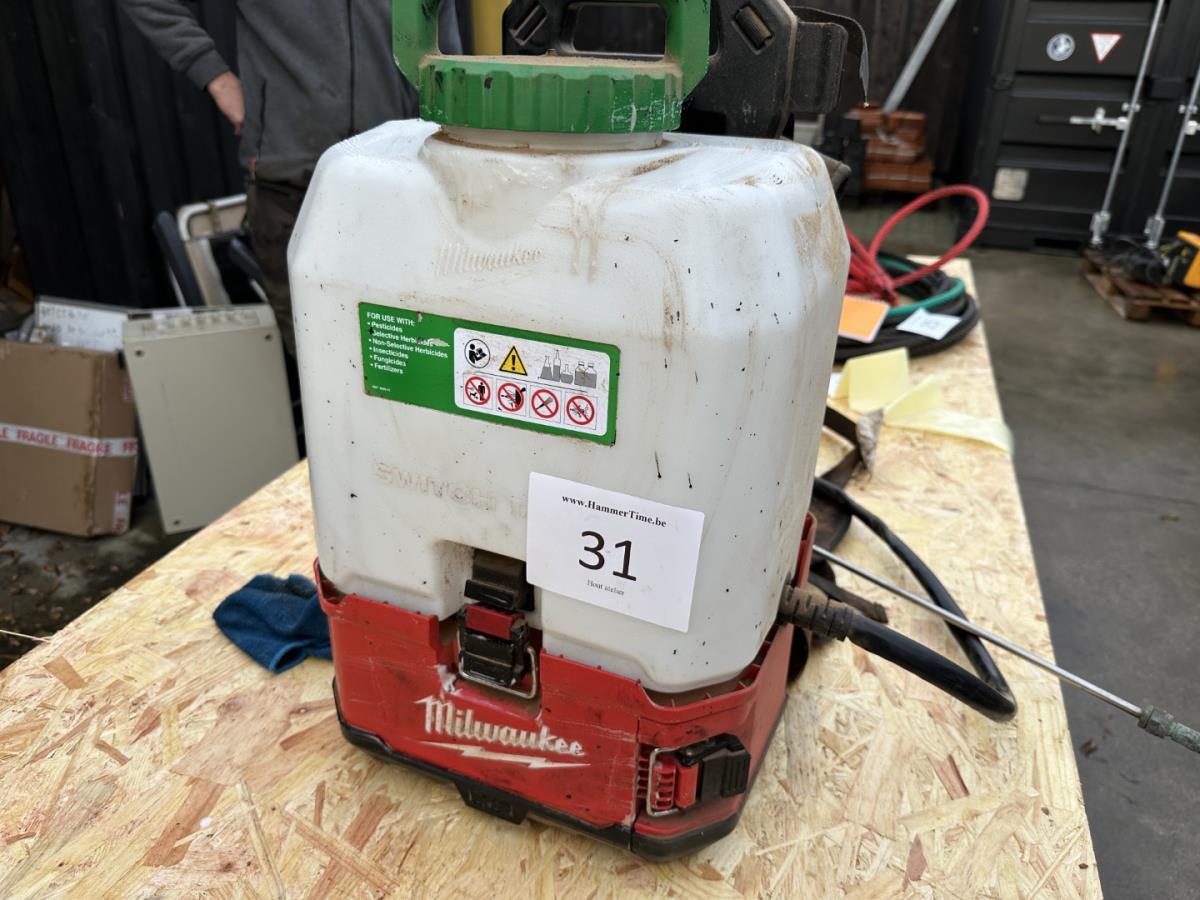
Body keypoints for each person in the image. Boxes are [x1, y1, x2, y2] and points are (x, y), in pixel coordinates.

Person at [118, 0, 462, 355]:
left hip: (400, 187)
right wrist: (215, 77)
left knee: (411, 351)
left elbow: (445, 51)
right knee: (319, 357)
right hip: (291, 193)